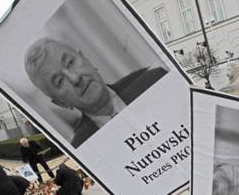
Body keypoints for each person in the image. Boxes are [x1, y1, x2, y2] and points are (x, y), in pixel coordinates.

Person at [24, 37, 167, 148]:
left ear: (86, 59)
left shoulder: (155, 79)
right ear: (61, 103)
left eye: (70, 63)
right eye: (60, 81)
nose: (75, 78)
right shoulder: (83, 148)